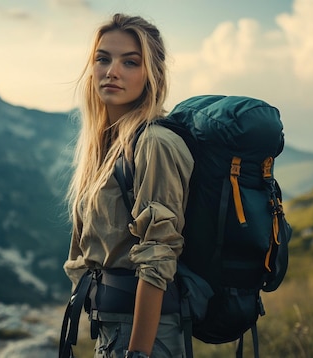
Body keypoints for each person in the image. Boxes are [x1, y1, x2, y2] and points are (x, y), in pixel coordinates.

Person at [63, 13, 194, 358]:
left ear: (153, 75)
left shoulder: (154, 143)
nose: (112, 71)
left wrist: (138, 351)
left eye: (130, 62)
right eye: (102, 59)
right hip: (112, 329)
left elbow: (158, 253)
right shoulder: (107, 146)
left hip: (145, 338)